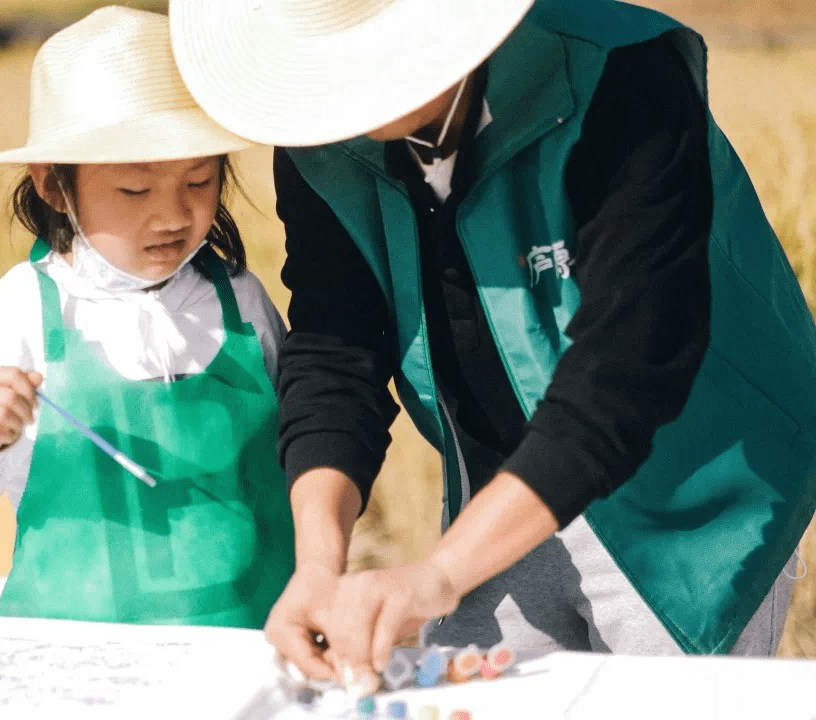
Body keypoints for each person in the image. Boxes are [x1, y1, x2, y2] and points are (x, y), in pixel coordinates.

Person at [169, 0, 816, 683]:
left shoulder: (620, 72)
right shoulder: (319, 131)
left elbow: (628, 363)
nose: (335, 97)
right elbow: (338, 351)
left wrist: (440, 574)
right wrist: (317, 566)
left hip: (689, 492)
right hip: (499, 491)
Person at [0, 6, 295, 629]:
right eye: (135, 190)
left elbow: (304, 439)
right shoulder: (20, 309)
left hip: (247, 651)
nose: (173, 215)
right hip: (75, 669)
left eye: (200, 180)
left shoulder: (242, 302)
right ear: (54, 186)